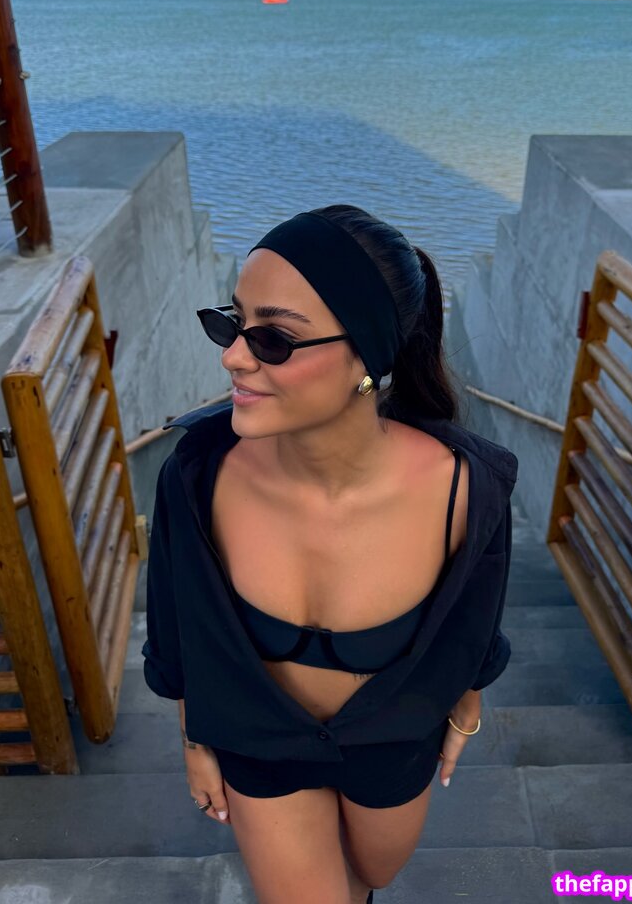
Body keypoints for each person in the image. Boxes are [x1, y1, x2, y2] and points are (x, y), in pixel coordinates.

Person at [142, 204, 518, 903]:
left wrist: (464, 710)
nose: (232, 356)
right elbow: (175, 631)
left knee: (371, 877)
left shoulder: (468, 489)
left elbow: (472, 625)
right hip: (257, 747)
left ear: (367, 359)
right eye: (232, 322)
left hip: (393, 746)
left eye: (273, 339)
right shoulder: (195, 478)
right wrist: (195, 740)